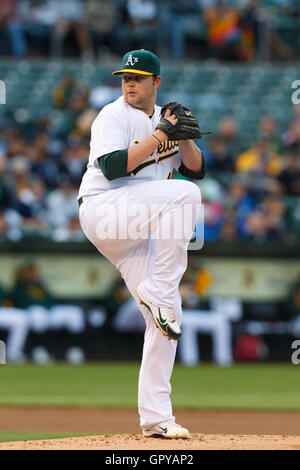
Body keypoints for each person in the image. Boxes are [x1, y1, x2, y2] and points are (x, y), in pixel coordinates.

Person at [78, 49, 206, 439]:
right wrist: (161, 135)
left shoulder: (165, 120)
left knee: (167, 317)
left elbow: (196, 170)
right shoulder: (112, 115)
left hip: (140, 227)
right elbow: (115, 167)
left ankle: (156, 418)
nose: (130, 83)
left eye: (138, 77)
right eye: (125, 77)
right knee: (184, 198)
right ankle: (159, 288)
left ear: (157, 83)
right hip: (105, 211)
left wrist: (183, 139)